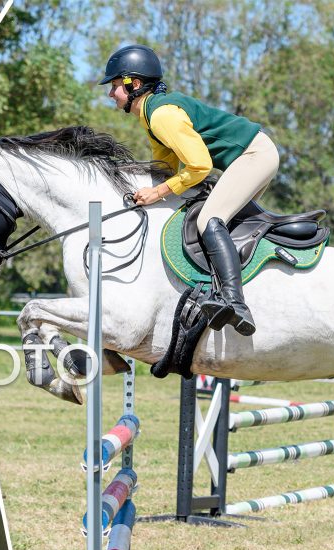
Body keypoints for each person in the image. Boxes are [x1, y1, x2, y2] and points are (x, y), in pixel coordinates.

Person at [99, 44, 277, 336]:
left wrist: (156, 194)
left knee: (209, 220)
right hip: (249, 156)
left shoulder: (162, 116)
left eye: (115, 86)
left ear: (135, 84)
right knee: (215, 220)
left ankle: (235, 303)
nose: (111, 94)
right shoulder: (151, 117)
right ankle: (219, 291)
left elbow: (198, 166)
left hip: (255, 156)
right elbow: (165, 167)